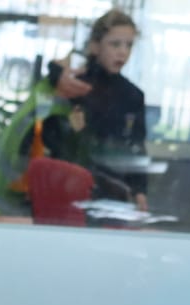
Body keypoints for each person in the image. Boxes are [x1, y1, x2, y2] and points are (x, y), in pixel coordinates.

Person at [41, 9, 150, 209]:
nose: (123, 52)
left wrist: (140, 190)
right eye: (115, 44)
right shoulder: (74, 86)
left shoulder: (133, 95)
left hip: (113, 190)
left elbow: (136, 146)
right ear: (95, 46)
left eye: (129, 45)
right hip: (68, 186)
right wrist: (55, 73)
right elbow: (50, 134)